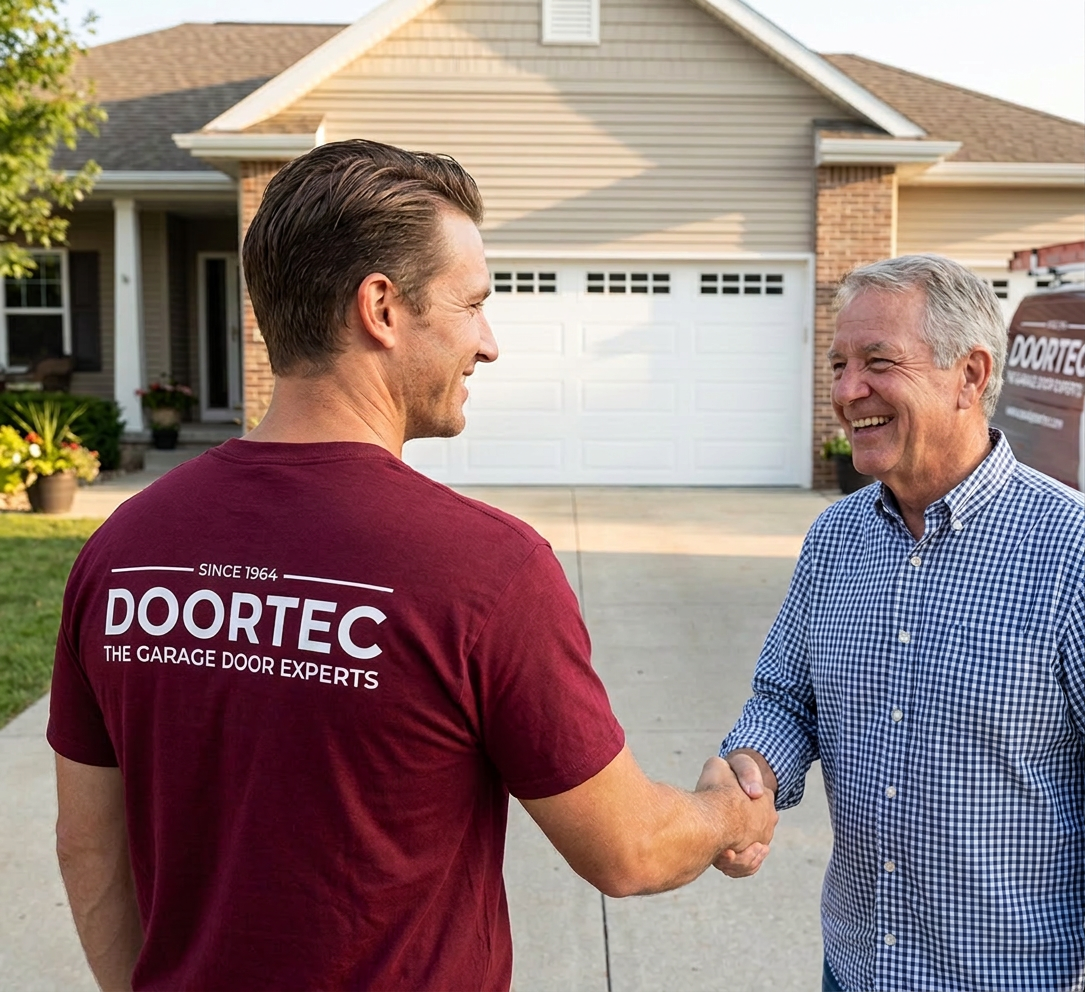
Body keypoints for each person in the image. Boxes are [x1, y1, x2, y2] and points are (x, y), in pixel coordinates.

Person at [48, 139, 776, 992]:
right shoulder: (483, 572)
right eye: (471, 305)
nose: (489, 343)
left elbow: (86, 844)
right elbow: (631, 850)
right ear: (382, 309)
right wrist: (727, 809)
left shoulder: (123, 554)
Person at [715, 254, 1084, 992]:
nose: (849, 392)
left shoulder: (1069, 553)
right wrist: (746, 778)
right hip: (853, 966)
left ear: (969, 376)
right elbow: (786, 699)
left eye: (878, 362)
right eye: (838, 364)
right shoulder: (834, 538)